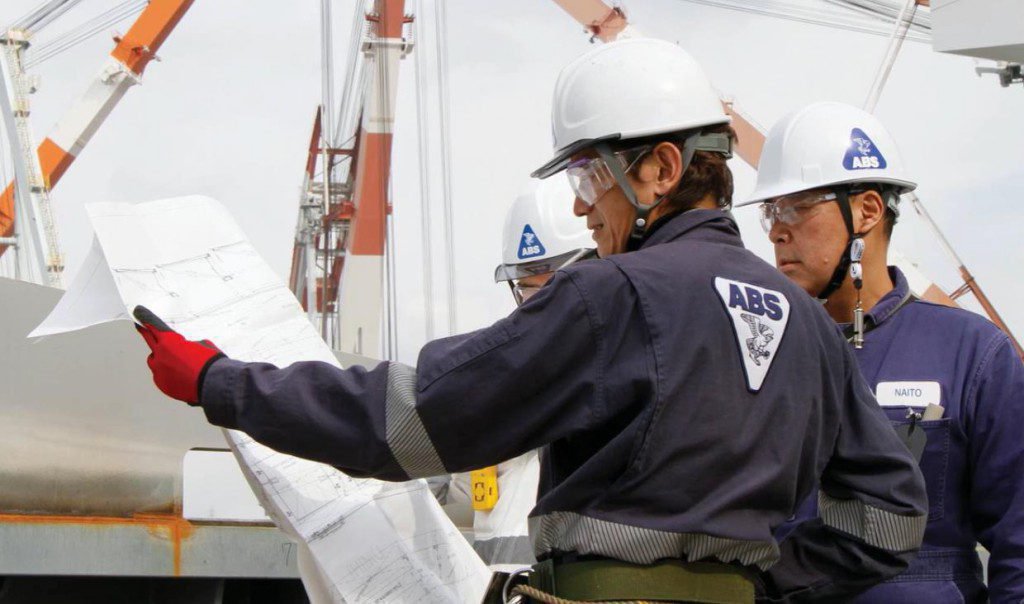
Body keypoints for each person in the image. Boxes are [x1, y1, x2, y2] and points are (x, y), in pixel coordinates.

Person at [133, 39, 927, 602]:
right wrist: (751, 584)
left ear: (661, 169)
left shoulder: (611, 296)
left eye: (587, 176)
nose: (581, 209)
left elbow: (411, 422)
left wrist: (220, 381)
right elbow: (889, 517)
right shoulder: (810, 328)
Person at [740, 101, 1024, 602]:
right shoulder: (755, 352)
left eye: (796, 207)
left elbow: (1018, 544)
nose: (777, 231)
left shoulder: (973, 354)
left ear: (867, 210)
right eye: (771, 211)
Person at [446, 177, 595, 572]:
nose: (540, 308)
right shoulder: (505, 380)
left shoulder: (624, 380)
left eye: (555, 287)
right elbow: (462, 490)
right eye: (529, 289)